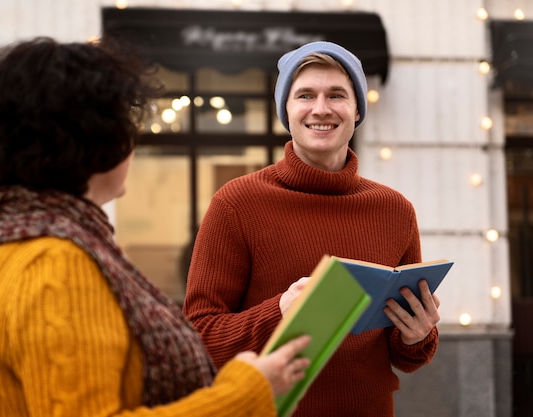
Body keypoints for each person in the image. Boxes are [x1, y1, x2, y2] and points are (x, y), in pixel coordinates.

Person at [0, 36, 313, 417]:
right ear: (92, 138)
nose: (132, 139)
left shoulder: (5, 243)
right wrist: (248, 392)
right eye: (124, 121)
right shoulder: (55, 262)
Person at [182, 41, 441, 417]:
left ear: (356, 109)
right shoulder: (236, 203)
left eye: (336, 94)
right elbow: (199, 337)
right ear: (286, 111)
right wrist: (279, 312)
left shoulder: (395, 209)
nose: (321, 108)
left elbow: (405, 356)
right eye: (305, 95)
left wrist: (416, 335)